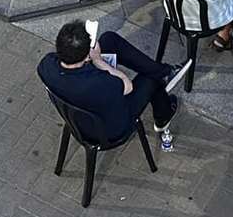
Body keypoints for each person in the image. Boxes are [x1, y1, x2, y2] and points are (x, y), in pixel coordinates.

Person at [38, 20, 185, 148]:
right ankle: (163, 115)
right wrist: (98, 61)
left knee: (109, 40)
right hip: (108, 130)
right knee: (150, 79)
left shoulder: (46, 65)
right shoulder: (100, 83)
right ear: (85, 56)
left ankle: (165, 73)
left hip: (75, 115)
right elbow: (127, 86)